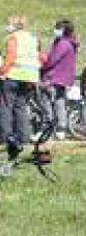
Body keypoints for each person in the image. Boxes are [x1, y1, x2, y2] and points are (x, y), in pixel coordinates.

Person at [1, 16, 40, 160]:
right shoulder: (31, 38)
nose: (7, 27)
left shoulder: (13, 38)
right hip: (29, 77)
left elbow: (11, 56)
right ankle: (24, 137)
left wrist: (2, 71)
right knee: (21, 107)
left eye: (8, 24)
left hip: (13, 75)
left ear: (14, 26)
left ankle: (6, 138)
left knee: (6, 107)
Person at [41, 20, 79, 140]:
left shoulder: (62, 44)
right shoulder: (68, 43)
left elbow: (52, 59)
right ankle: (60, 127)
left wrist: (42, 67)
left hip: (55, 77)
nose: (55, 30)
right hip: (63, 78)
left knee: (51, 101)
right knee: (59, 102)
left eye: (58, 28)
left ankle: (53, 125)